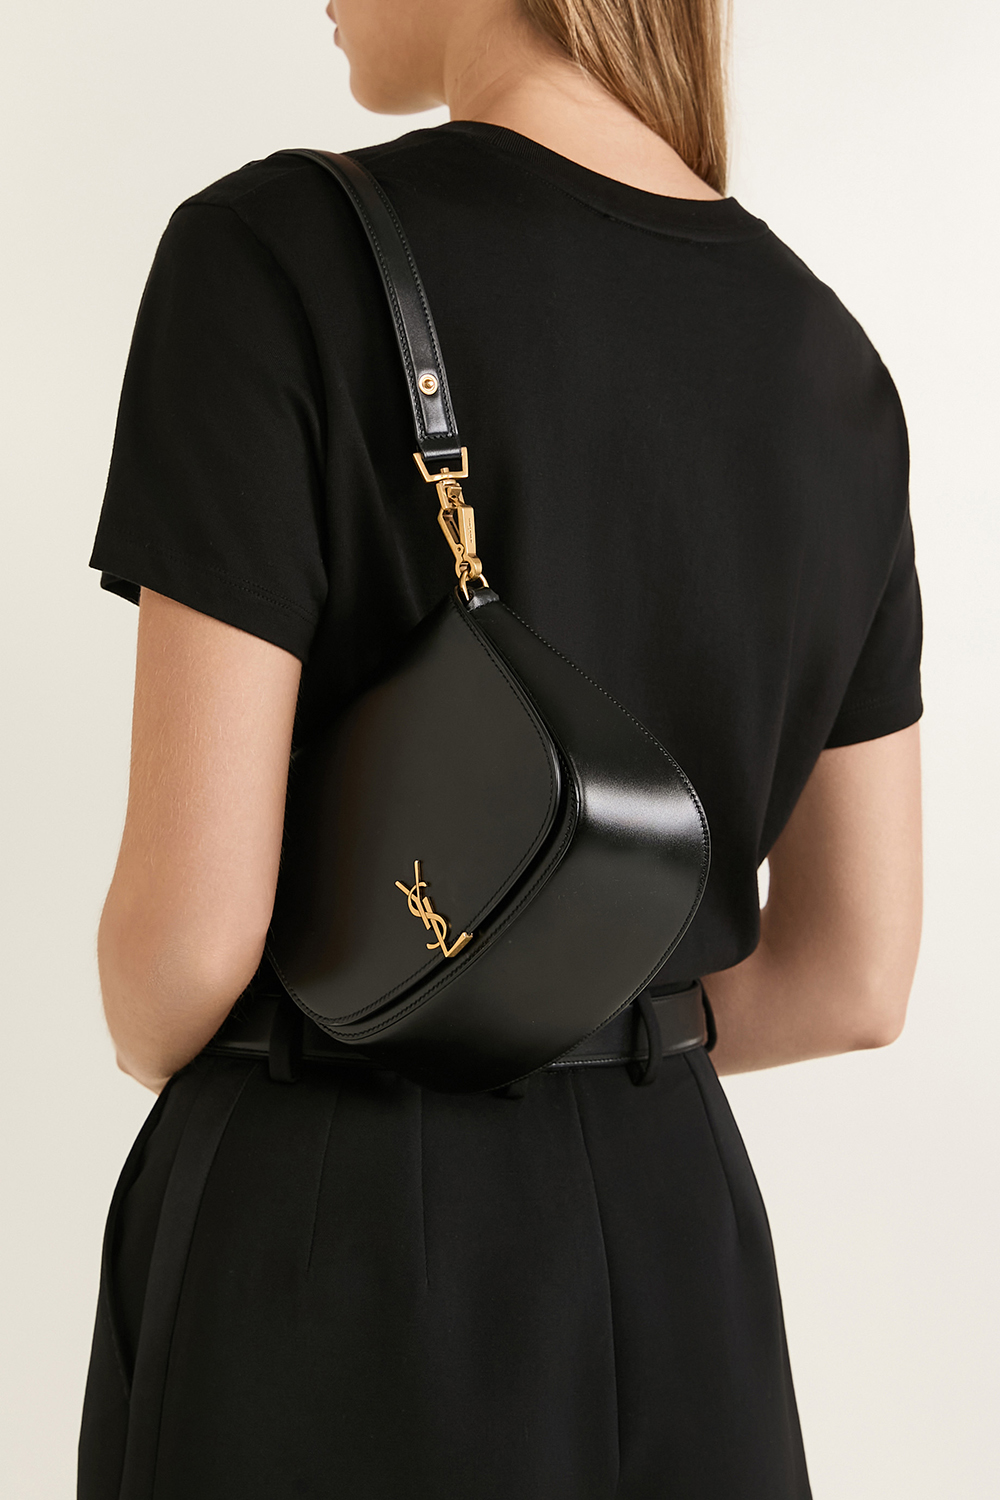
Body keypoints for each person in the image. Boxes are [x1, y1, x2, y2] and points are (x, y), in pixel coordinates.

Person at [78, 0, 923, 1495]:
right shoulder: (831, 361)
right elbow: (854, 975)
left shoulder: (273, 256)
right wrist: (588, 1026)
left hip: (330, 1235)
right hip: (678, 1241)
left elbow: (182, 957)